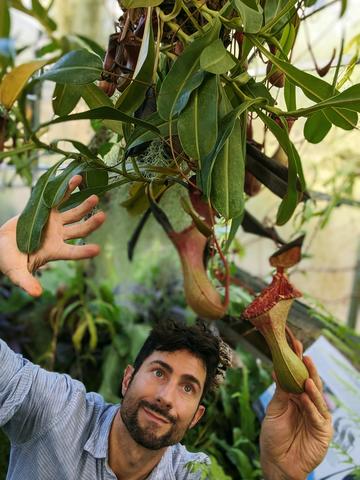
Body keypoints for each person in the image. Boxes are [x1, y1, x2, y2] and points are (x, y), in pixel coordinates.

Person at [0, 176, 333, 480]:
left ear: (197, 417)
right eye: (159, 372)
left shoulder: (191, 474)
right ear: (128, 377)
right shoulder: (57, 411)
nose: (165, 397)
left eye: (188, 388)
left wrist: (281, 473)